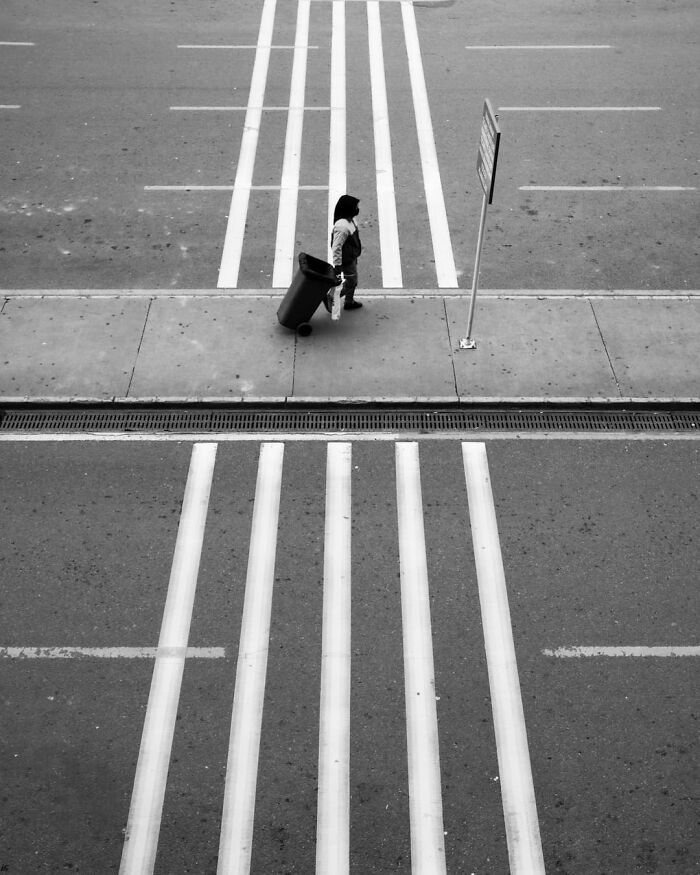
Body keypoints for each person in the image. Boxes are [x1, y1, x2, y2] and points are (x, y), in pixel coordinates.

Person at [327, 194, 363, 311]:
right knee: (352, 282)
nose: (358, 209)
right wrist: (337, 265)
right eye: (356, 206)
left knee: (351, 280)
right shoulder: (342, 226)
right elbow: (336, 247)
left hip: (351, 256)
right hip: (346, 260)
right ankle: (331, 297)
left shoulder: (350, 220)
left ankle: (349, 301)